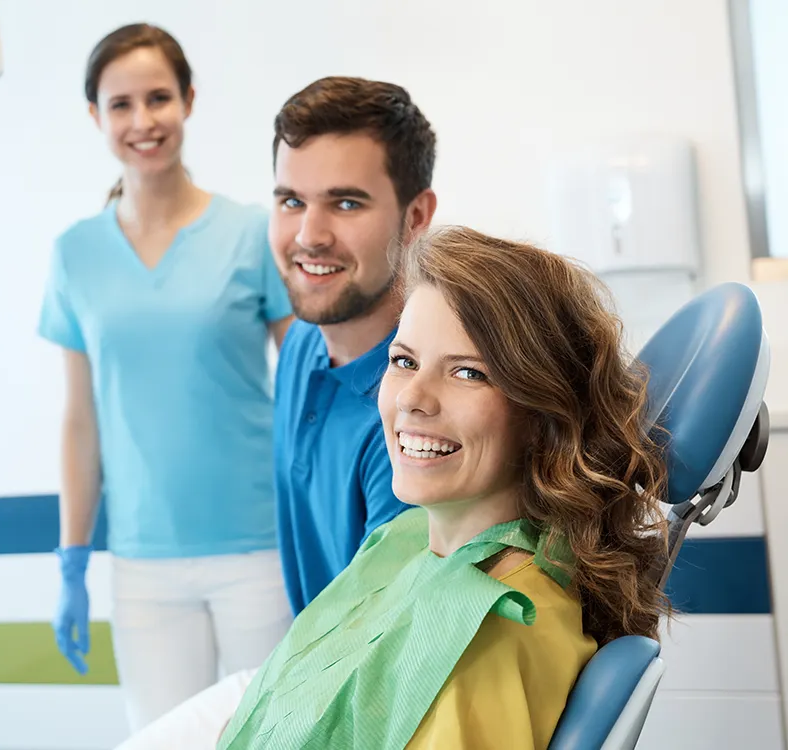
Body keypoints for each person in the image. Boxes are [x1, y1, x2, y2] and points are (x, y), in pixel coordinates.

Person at [114, 225, 671, 749]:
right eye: (403, 360)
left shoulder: (493, 625)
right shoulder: (407, 540)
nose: (412, 398)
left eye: (467, 372)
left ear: (542, 416)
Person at [36, 23, 296, 732]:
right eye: (121, 104)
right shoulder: (76, 255)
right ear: (97, 116)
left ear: (188, 100)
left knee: (273, 737)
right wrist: (71, 559)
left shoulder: (250, 232)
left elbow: (305, 384)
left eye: (158, 98)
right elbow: (80, 418)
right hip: (144, 564)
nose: (143, 121)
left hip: (258, 550)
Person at [268, 76, 439, 614]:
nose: (309, 235)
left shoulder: (421, 415)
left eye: (345, 203)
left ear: (415, 217)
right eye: (292, 201)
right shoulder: (301, 344)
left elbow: (393, 653)